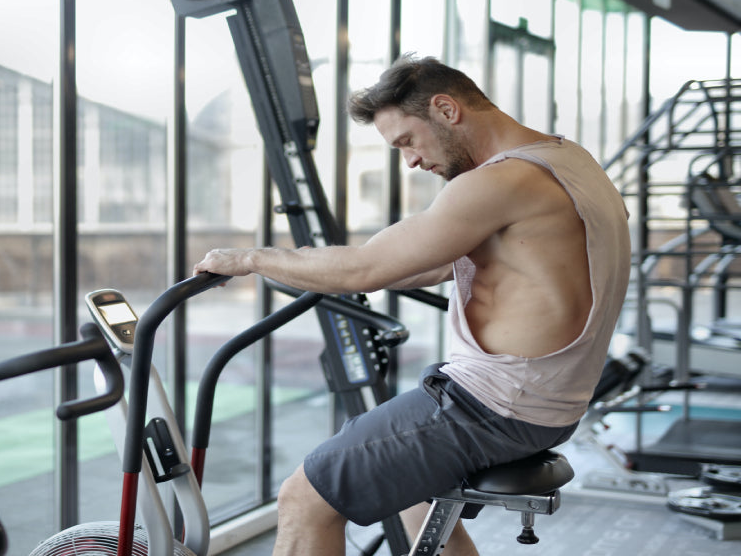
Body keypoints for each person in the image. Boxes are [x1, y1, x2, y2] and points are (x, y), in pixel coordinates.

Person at [192, 54, 630, 555]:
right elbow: (440, 262)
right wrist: (365, 269)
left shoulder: (500, 182)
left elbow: (364, 268)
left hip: (494, 406)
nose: (411, 161)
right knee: (409, 494)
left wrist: (248, 259)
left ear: (446, 109)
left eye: (406, 142)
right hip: (546, 401)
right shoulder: (568, 159)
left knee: (304, 497)